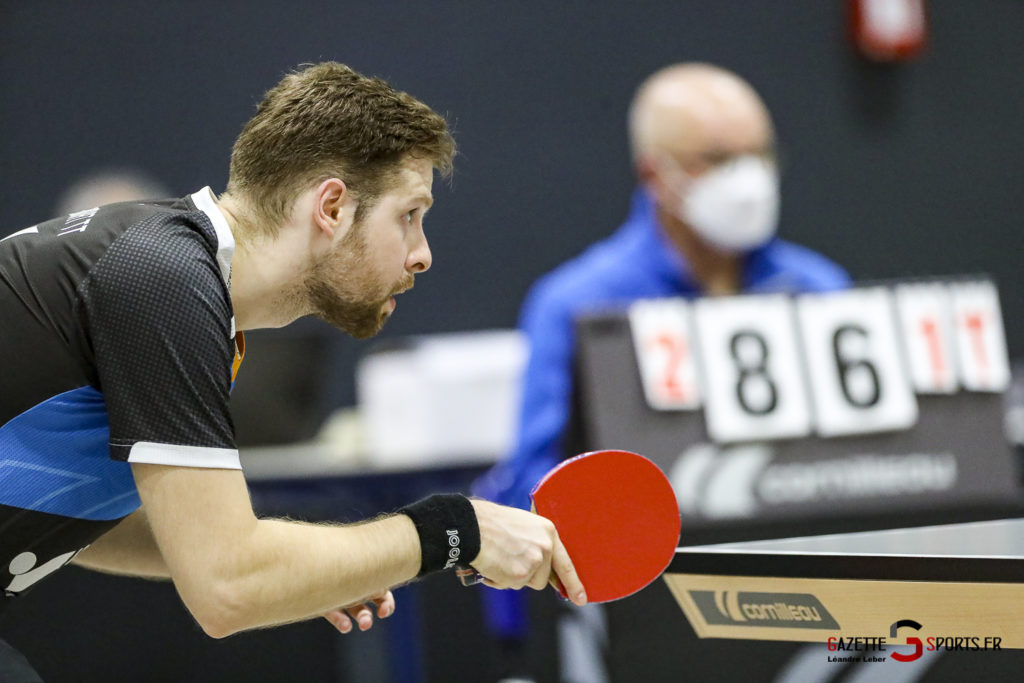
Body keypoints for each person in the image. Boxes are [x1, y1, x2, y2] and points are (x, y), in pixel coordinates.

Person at [0, 62, 587, 680]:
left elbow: (86, 516)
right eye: (409, 215)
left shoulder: (169, 268)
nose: (423, 254)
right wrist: (456, 527)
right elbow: (227, 587)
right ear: (331, 206)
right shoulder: (165, 281)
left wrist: (316, 569)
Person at [474, 63, 852, 681]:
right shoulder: (577, 303)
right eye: (719, 158)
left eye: (760, 154)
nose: (749, 178)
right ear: (657, 174)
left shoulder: (818, 288)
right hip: (647, 623)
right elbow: (532, 487)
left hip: (805, 607)